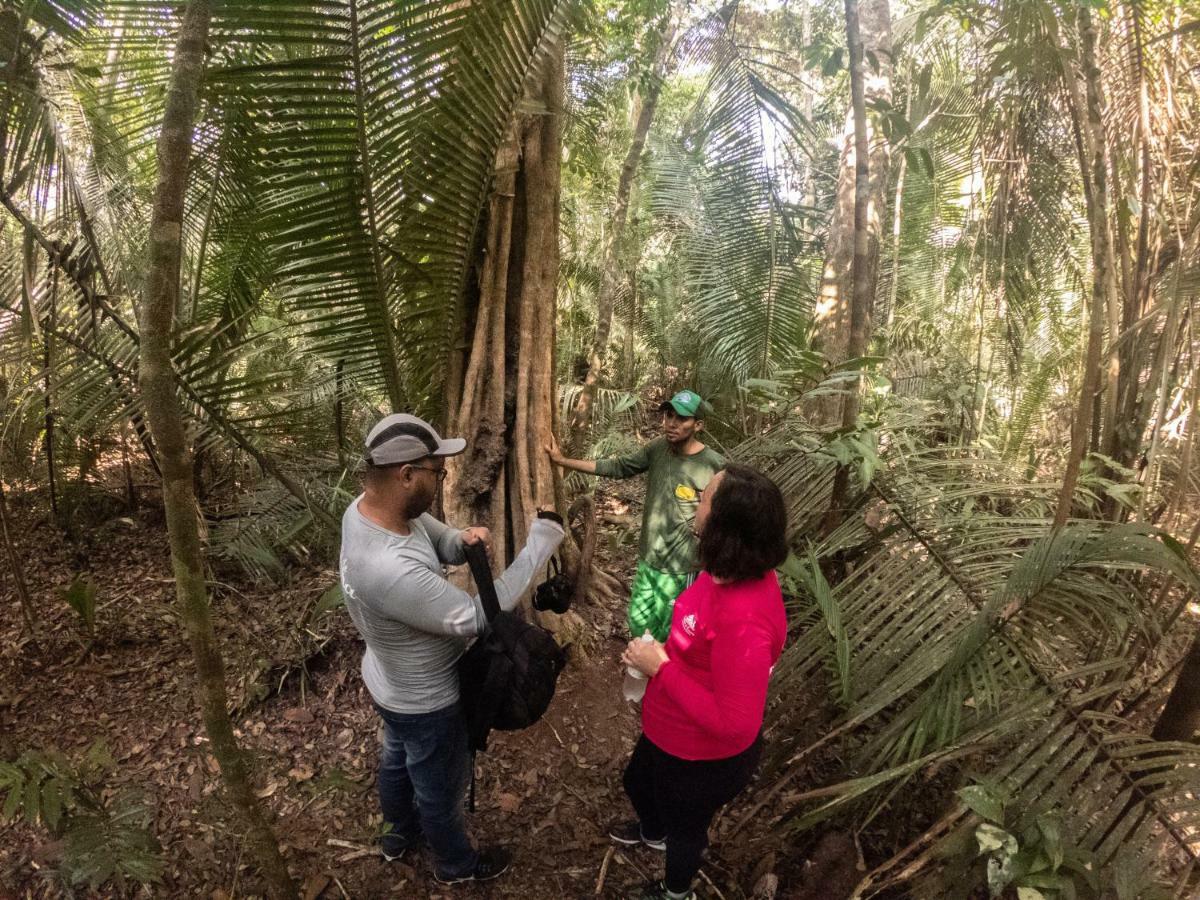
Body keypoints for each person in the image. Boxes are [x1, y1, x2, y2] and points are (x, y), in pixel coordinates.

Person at [339, 413, 564, 885]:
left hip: (388, 681)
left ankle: (396, 837)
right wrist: (539, 545)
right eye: (437, 472)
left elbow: (429, 532)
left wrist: (458, 543)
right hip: (426, 702)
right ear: (406, 475)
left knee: (397, 758)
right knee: (438, 789)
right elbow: (483, 615)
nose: (442, 480)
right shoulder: (389, 569)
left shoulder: (368, 509)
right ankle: (455, 866)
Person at [610, 464, 789, 900]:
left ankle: (676, 891)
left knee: (686, 833)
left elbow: (736, 725)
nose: (697, 499)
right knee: (637, 783)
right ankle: (653, 832)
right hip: (667, 731)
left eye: (705, 495)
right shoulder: (725, 570)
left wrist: (662, 668)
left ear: (724, 523)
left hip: (700, 759)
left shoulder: (746, 621)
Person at [546, 390, 724, 641]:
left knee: (668, 631)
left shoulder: (714, 465)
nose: (672, 423)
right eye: (669, 415)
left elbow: (725, 517)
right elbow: (619, 467)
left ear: (698, 425)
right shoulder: (658, 449)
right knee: (638, 623)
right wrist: (563, 461)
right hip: (648, 557)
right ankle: (640, 670)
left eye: (681, 419)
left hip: (681, 567)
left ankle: (657, 676)